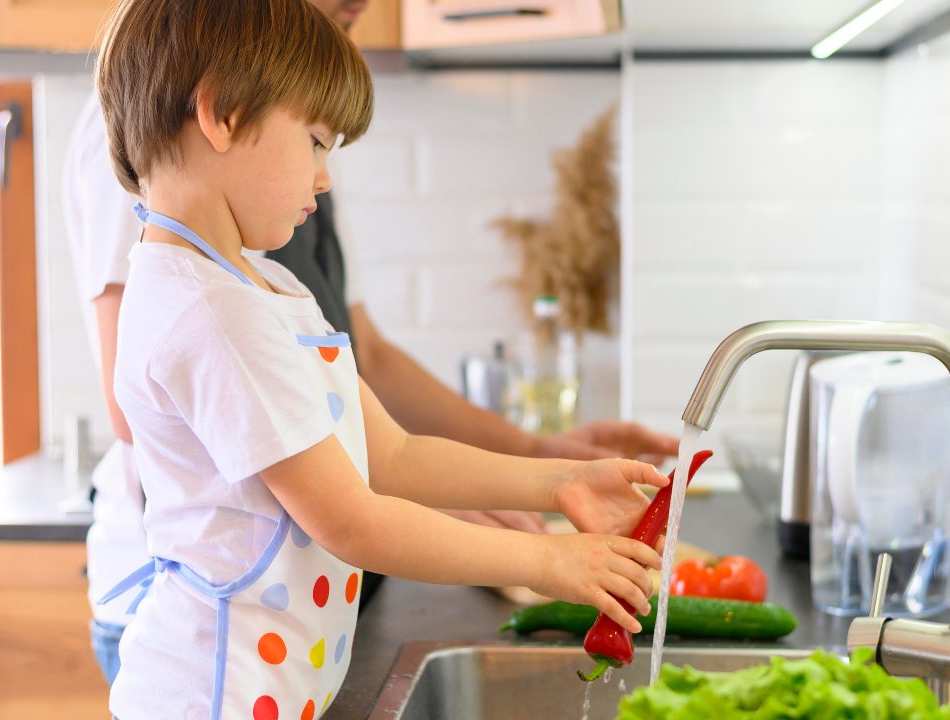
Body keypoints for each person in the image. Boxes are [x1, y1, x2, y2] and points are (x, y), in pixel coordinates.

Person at [62, 0, 678, 686]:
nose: (324, 177)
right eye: (317, 142)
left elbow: (388, 454)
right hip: (213, 691)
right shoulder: (212, 313)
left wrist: (558, 481)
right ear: (223, 115)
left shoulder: (259, 284)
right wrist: (548, 562)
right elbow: (351, 521)